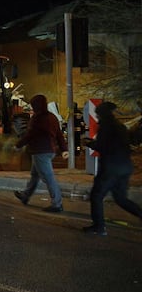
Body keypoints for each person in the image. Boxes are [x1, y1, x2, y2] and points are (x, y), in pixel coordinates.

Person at [81, 102, 142, 235]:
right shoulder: (120, 126)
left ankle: (99, 227)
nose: (96, 116)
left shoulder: (105, 127)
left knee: (96, 195)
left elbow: (103, 146)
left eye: (97, 114)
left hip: (110, 168)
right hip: (125, 166)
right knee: (120, 198)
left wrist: (89, 143)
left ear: (102, 114)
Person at [13, 94, 69, 213]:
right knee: (35, 174)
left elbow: (30, 135)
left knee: (48, 178)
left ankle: (57, 204)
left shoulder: (37, 119)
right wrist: (64, 149)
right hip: (50, 150)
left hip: (40, 151)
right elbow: (59, 134)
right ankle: (26, 195)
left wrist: (18, 145)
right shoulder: (52, 117)